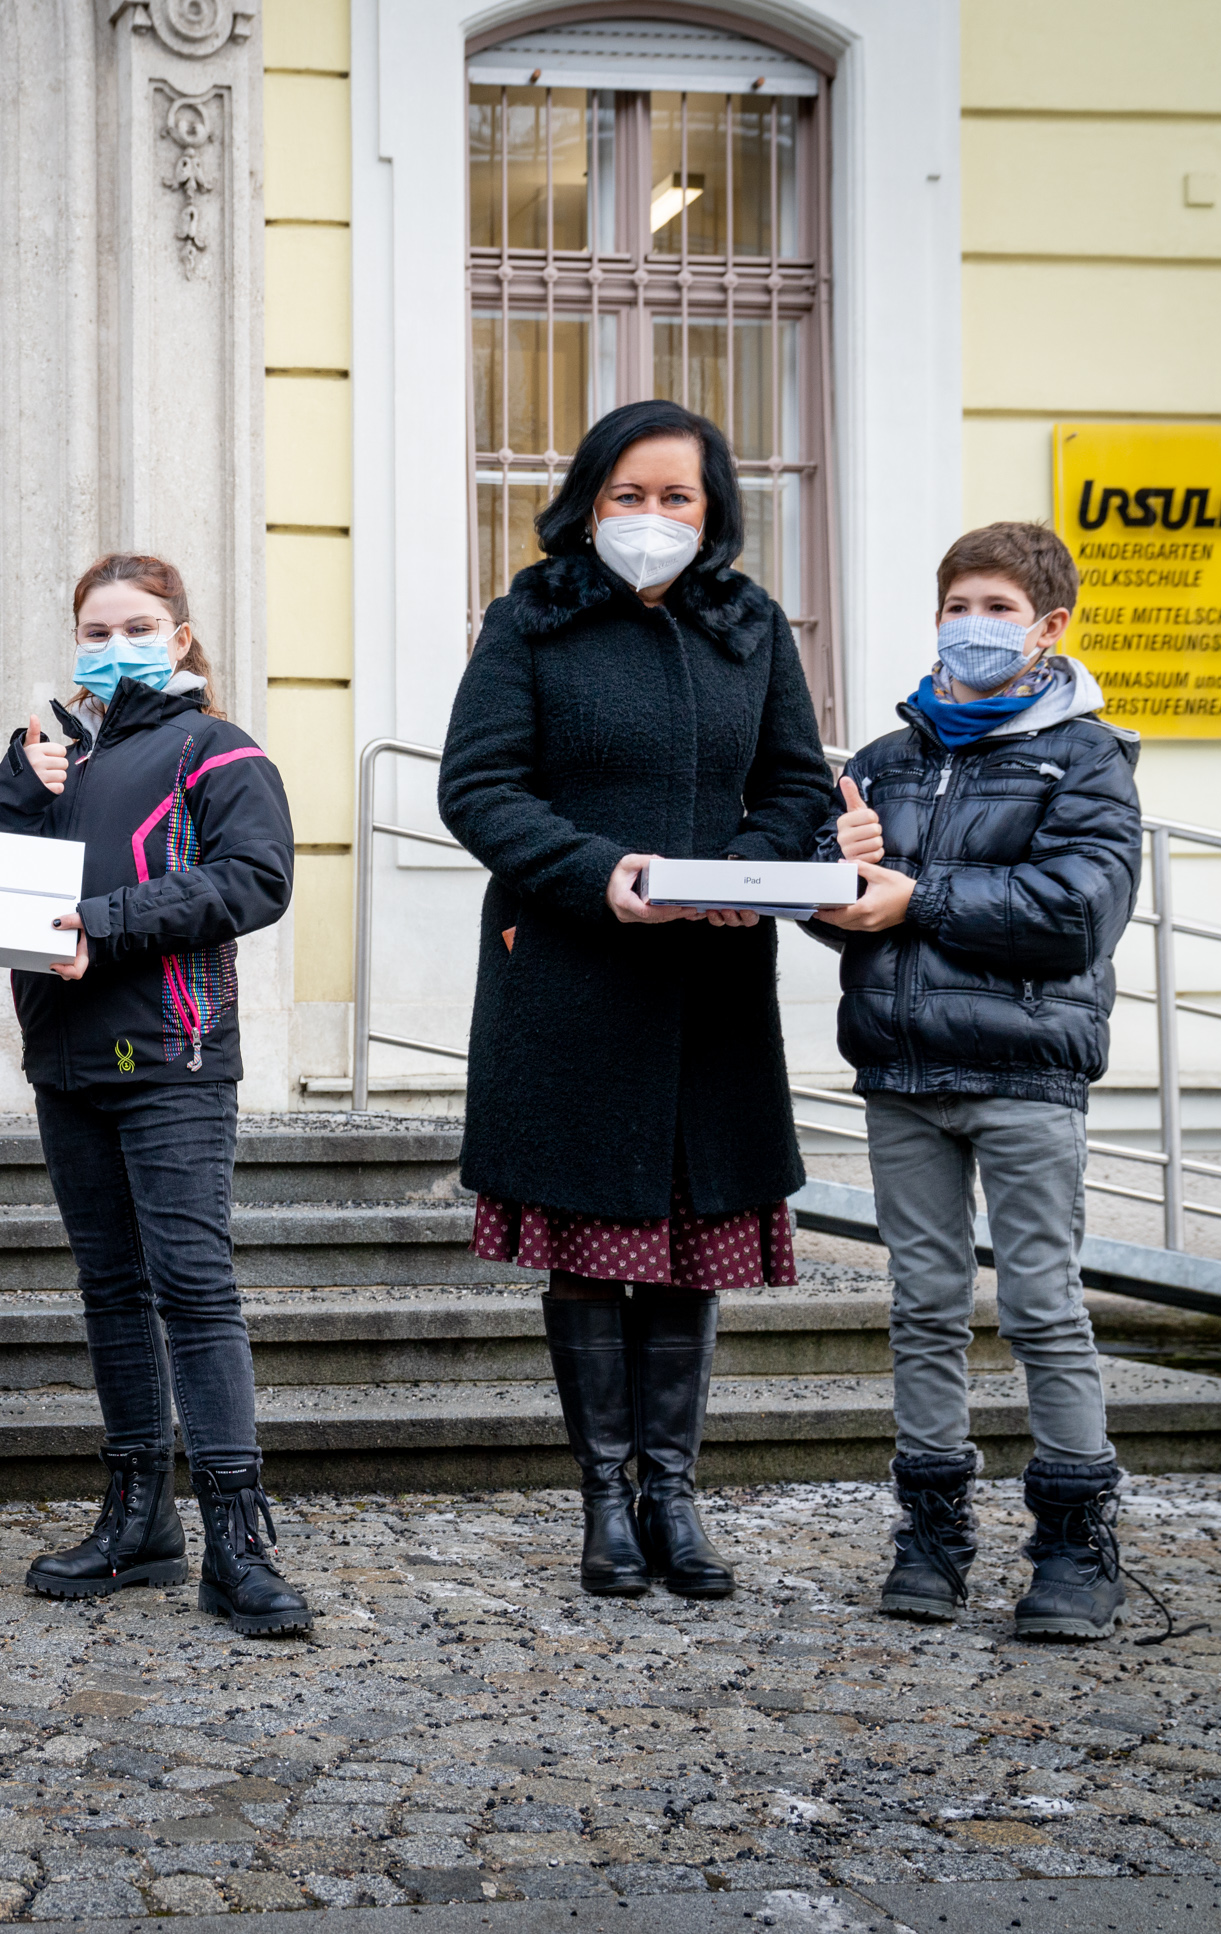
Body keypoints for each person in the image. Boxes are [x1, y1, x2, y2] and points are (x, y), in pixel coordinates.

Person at [439, 398, 835, 1602]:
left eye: (677, 497)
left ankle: (672, 1488)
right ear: (587, 501)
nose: (651, 516)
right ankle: (603, 1496)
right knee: (591, 1243)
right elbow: (478, 787)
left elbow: (793, 780)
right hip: (568, 976)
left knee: (683, 1246)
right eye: (628, 493)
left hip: (710, 985)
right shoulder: (531, 618)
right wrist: (596, 873)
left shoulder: (748, 624)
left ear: (711, 513)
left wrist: (750, 872)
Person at [811, 522, 1141, 1640]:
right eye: (959, 603)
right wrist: (832, 880)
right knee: (922, 1307)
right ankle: (931, 1535)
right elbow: (859, 919)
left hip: (1022, 1074)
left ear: (1049, 627)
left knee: (1043, 1306)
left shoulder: (1086, 757)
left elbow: (1073, 914)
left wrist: (914, 894)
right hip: (902, 1070)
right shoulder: (888, 757)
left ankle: (1071, 1541)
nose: (974, 625)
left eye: (998, 607)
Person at [0, 553, 310, 1637]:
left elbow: (253, 878)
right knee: (108, 1288)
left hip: (171, 1053)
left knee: (192, 1288)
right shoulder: (49, 752)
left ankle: (236, 1540)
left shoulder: (217, 747)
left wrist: (106, 924)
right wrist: (23, 787)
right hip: (64, 1059)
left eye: (135, 625)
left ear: (177, 636)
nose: (111, 643)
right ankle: (136, 1522)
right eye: (92, 626)